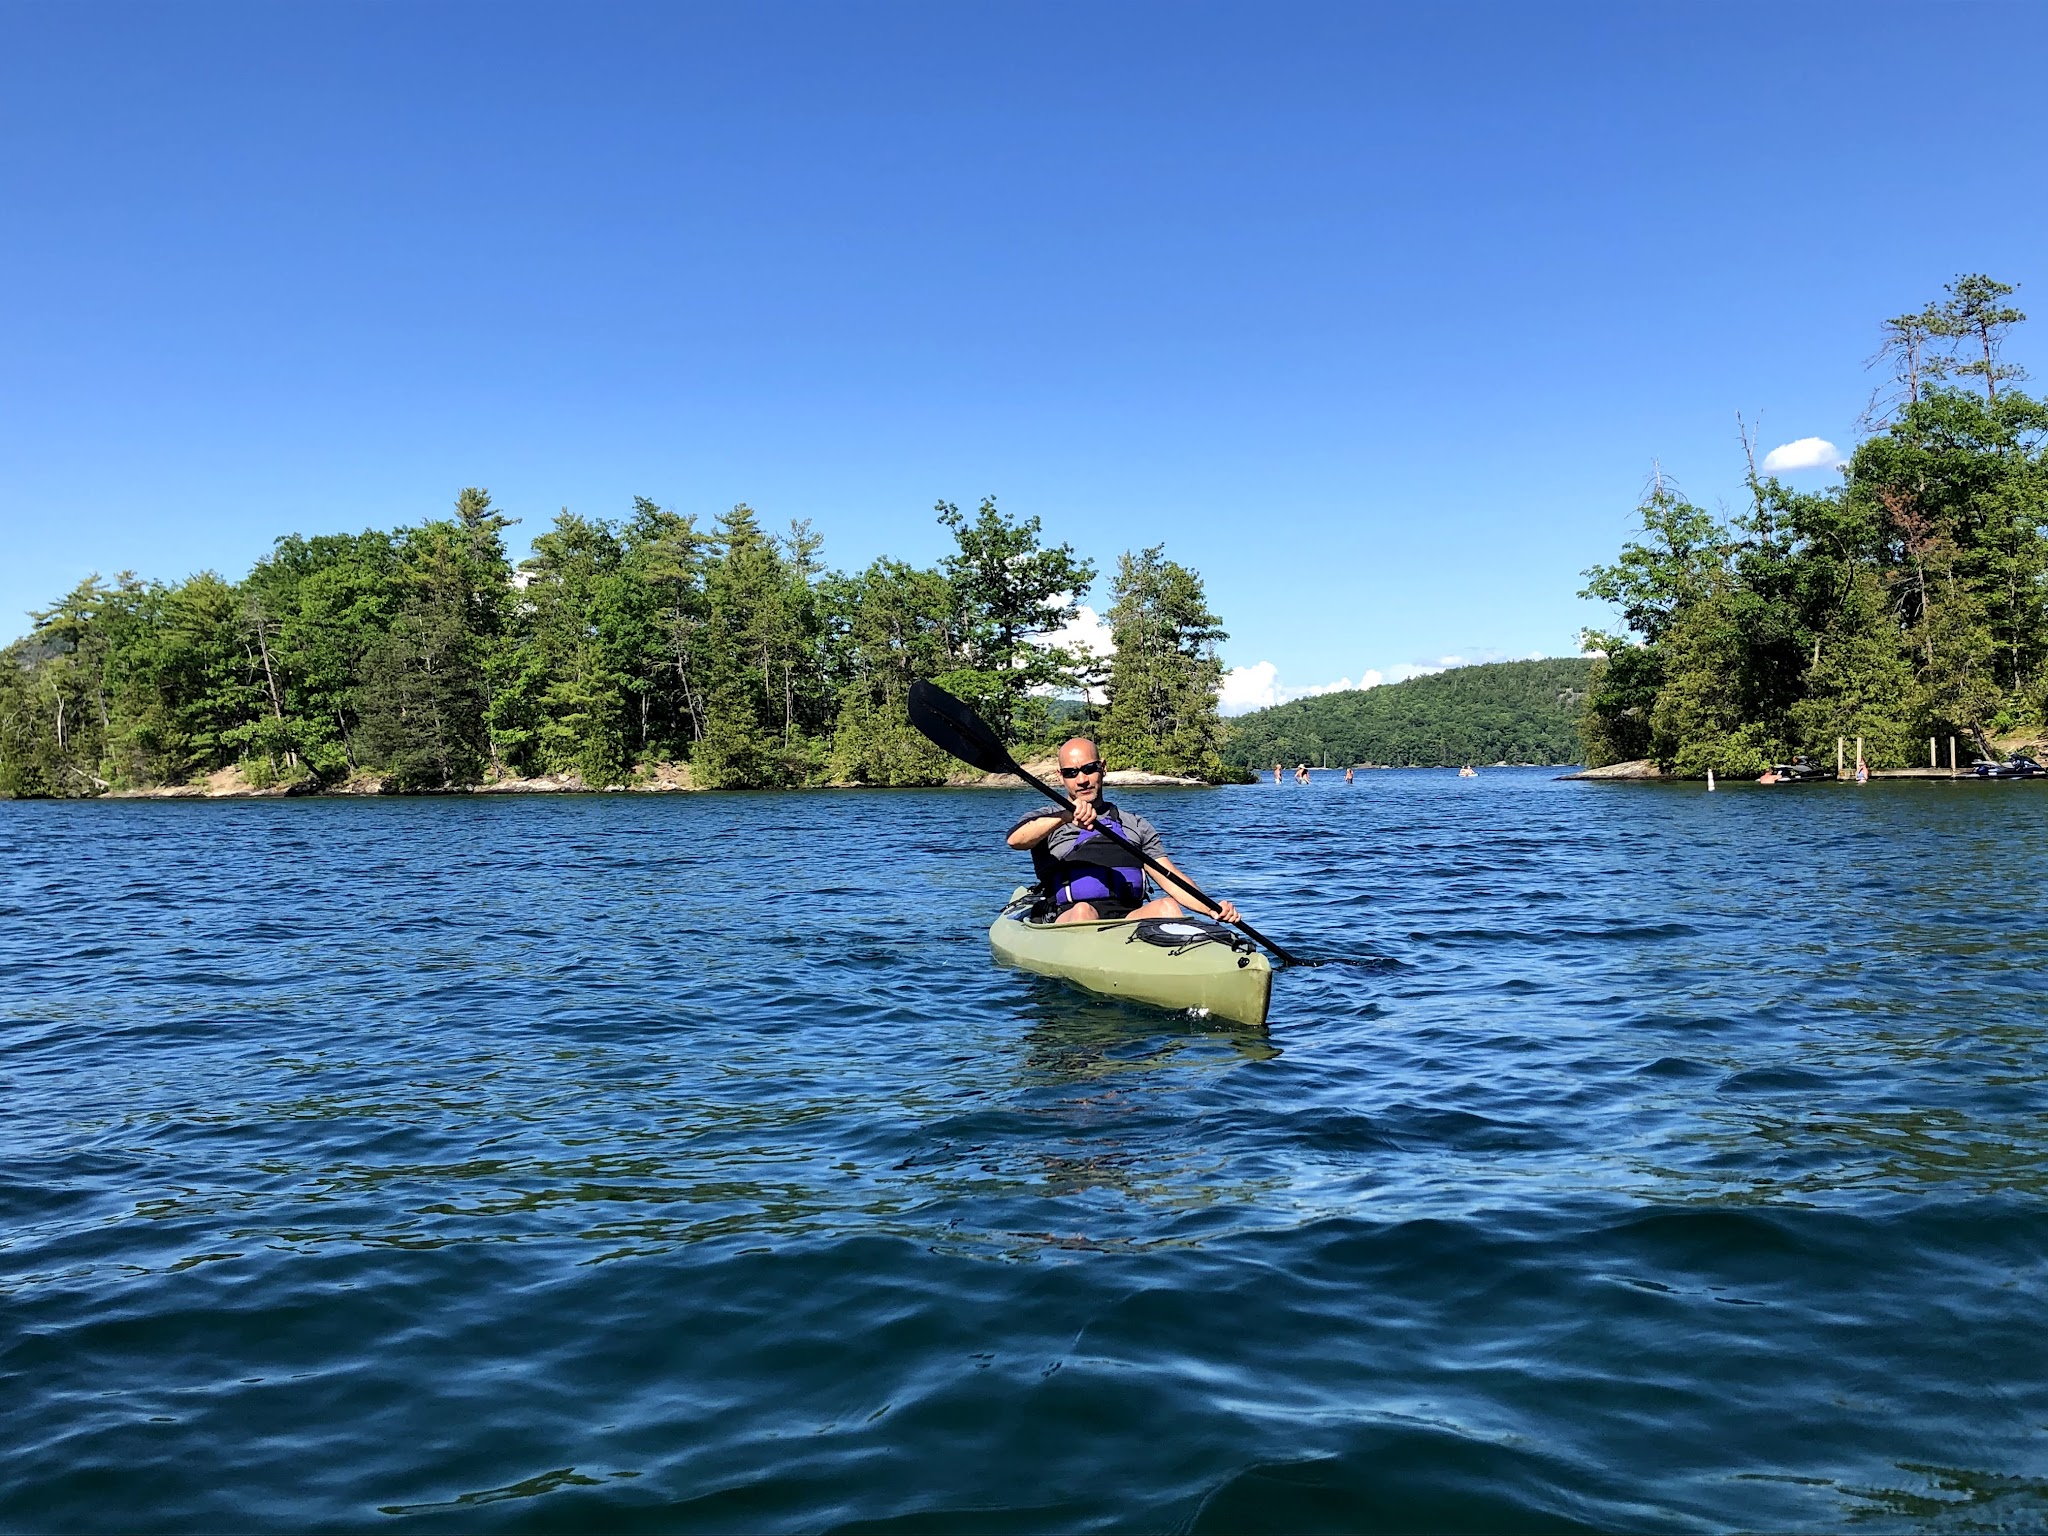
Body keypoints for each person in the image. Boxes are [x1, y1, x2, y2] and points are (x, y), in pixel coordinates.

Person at [1007, 736, 1241, 927]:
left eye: (1089, 769)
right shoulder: (1049, 819)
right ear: (1061, 777)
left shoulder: (1135, 825)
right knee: (1083, 911)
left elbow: (1171, 878)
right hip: (1069, 917)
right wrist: (1066, 816)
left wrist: (1211, 908)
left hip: (1127, 920)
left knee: (1167, 906)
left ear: (1103, 768)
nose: (1082, 780)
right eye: (1071, 773)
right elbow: (1016, 840)